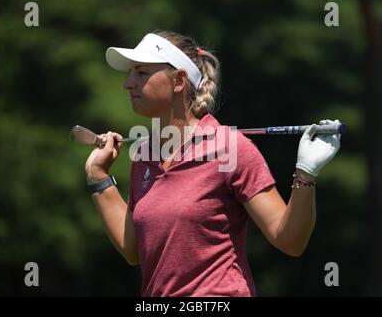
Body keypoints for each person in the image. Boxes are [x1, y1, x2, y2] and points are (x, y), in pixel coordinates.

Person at [84, 30, 341, 297]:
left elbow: (289, 240)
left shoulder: (230, 149)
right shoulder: (144, 157)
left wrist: (306, 172)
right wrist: (98, 176)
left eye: (141, 73)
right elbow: (134, 249)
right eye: (129, 73)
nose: (128, 83)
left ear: (179, 80)